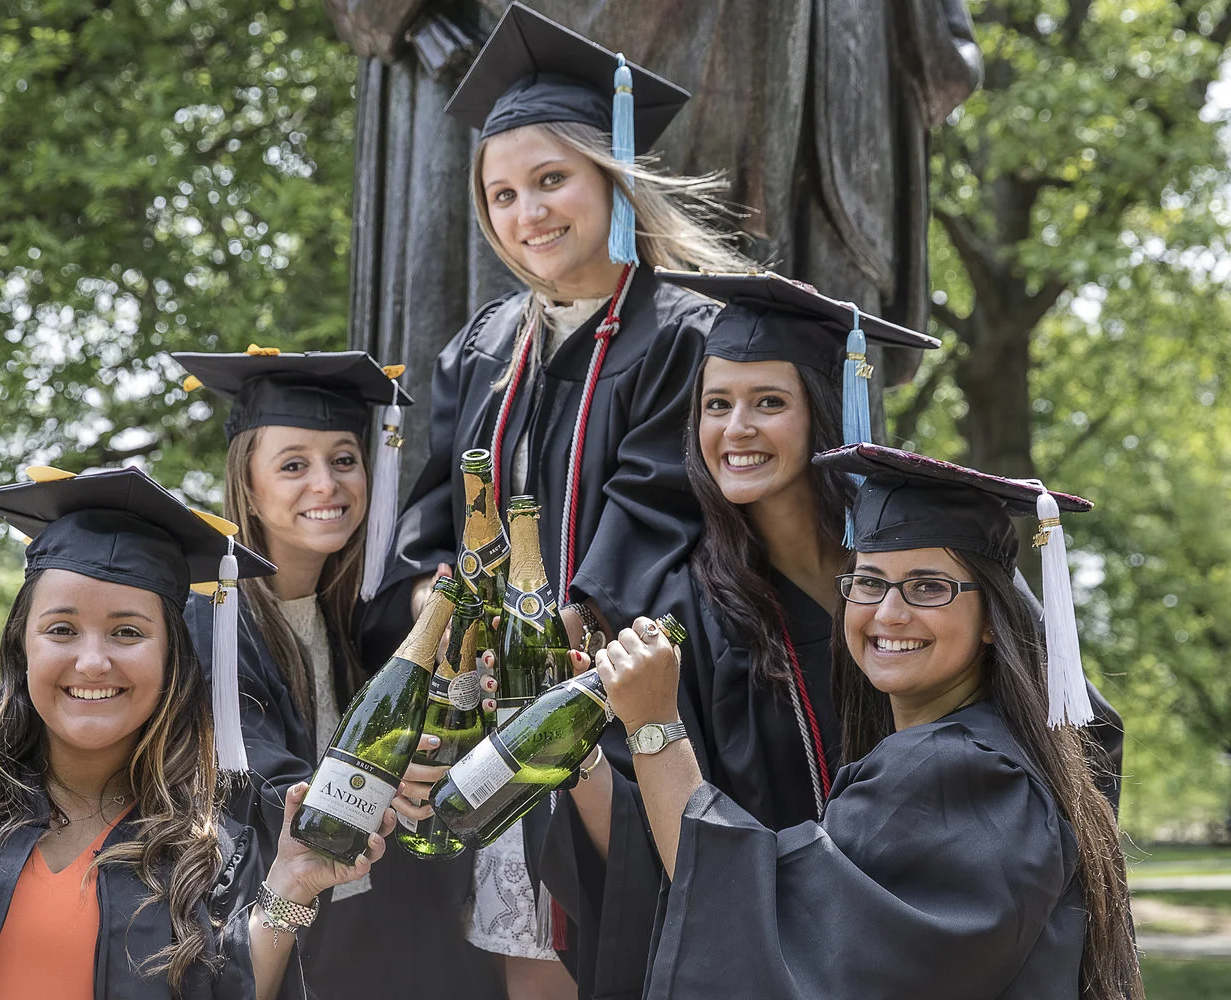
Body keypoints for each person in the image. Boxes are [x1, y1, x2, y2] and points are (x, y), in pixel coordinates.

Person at [361, 7, 750, 993]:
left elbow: (654, 515)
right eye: (502, 194)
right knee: (522, 955)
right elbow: (431, 525)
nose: (526, 212)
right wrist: (438, 609)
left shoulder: (688, 334)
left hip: (629, 704)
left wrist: (550, 636)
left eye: (550, 180)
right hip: (489, 717)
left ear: (613, 180)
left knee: (626, 947)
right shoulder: (483, 349)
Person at [0, 465, 390, 1000]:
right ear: (22, 645)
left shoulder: (213, 838)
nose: (92, 662)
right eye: (61, 629)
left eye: (127, 632)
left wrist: (290, 885)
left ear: (173, 659)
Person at [596, 443, 1143, 999]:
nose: (888, 612)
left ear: (992, 619)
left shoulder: (959, 773)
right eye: (869, 581)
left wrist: (654, 724)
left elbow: (777, 937)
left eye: (929, 587)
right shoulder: (989, 752)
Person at [538, 269, 941, 998]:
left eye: (769, 402)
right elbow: (647, 834)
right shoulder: (684, 613)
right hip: (769, 964)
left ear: (826, 413)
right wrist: (574, 756)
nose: (736, 429)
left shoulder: (918, 574)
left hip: (929, 932)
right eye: (716, 404)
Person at [171, 347, 503, 1000]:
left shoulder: (352, 614)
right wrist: (379, 783)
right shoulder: (211, 620)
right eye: (293, 465)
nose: (326, 484)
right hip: (279, 931)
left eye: (344, 460)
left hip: (387, 926)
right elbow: (253, 781)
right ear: (249, 487)